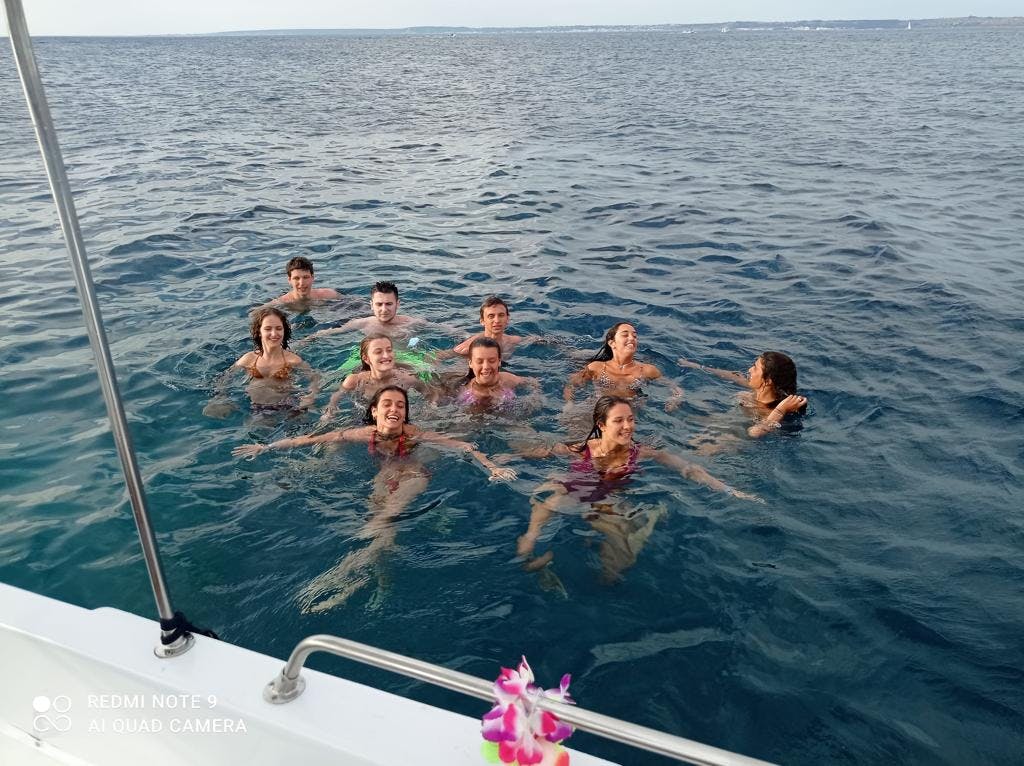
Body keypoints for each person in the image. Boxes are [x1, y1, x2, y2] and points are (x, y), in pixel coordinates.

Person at [233, 386, 515, 611]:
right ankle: (381, 580)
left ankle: (345, 570)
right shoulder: (365, 434)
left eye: (400, 406)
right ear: (374, 411)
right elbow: (311, 440)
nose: (394, 409)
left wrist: (492, 467)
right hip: (385, 477)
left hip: (414, 476)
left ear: (405, 414)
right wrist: (266, 446)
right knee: (382, 530)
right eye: (388, 404)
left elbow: (462, 445)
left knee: (379, 522)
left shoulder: (414, 434)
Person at [512, 396, 758, 581]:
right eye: (619, 420)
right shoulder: (581, 448)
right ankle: (540, 553)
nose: (628, 426)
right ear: (602, 425)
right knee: (539, 524)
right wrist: (500, 462)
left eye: (630, 419)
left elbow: (690, 469)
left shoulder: (641, 454)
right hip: (569, 495)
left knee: (617, 568)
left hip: (607, 504)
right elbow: (540, 452)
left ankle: (590, 580)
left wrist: (729, 490)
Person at [203, 307, 319, 417]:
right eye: (268, 329)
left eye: (279, 328)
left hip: (289, 405)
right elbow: (224, 378)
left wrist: (310, 396)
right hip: (258, 407)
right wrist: (220, 398)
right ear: (259, 331)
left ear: (284, 331)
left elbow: (315, 378)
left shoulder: (293, 360)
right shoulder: (249, 359)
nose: (274, 334)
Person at [678, 351, 807, 438]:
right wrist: (699, 367)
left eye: (755, 368)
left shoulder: (769, 412)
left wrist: (780, 411)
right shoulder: (758, 390)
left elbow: (754, 433)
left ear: (768, 381)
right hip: (717, 424)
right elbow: (736, 377)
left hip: (727, 440)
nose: (750, 370)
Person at [563, 322, 683, 411]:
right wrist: (569, 404)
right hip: (597, 409)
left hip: (628, 415)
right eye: (625, 335)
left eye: (634, 336)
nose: (632, 338)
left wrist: (675, 399)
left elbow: (675, 388)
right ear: (612, 343)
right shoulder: (596, 367)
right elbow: (571, 385)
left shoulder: (647, 370)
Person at [319, 334, 434, 423]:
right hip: (362, 419)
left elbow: (431, 394)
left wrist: (430, 409)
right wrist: (329, 412)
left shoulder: (406, 379)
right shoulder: (355, 380)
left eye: (389, 350)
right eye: (378, 352)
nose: (386, 355)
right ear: (366, 359)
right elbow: (336, 397)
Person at [303, 281, 424, 341]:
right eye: (379, 304)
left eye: (389, 304)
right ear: (371, 305)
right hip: (371, 359)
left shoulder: (411, 322)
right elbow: (329, 332)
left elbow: (435, 329)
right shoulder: (362, 323)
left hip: (405, 357)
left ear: (397, 304)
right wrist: (304, 341)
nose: (384, 309)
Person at [448, 337, 539, 411]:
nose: (486, 366)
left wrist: (534, 399)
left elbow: (532, 382)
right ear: (471, 363)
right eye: (479, 361)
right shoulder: (467, 392)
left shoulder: (508, 379)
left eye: (492, 361)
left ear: (499, 362)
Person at [449, 295, 539, 359]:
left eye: (501, 315)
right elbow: (444, 356)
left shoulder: (512, 341)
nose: (497, 320)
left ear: (507, 319)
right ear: (482, 321)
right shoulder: (467, 349)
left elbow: (532, 340)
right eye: (491, 316)